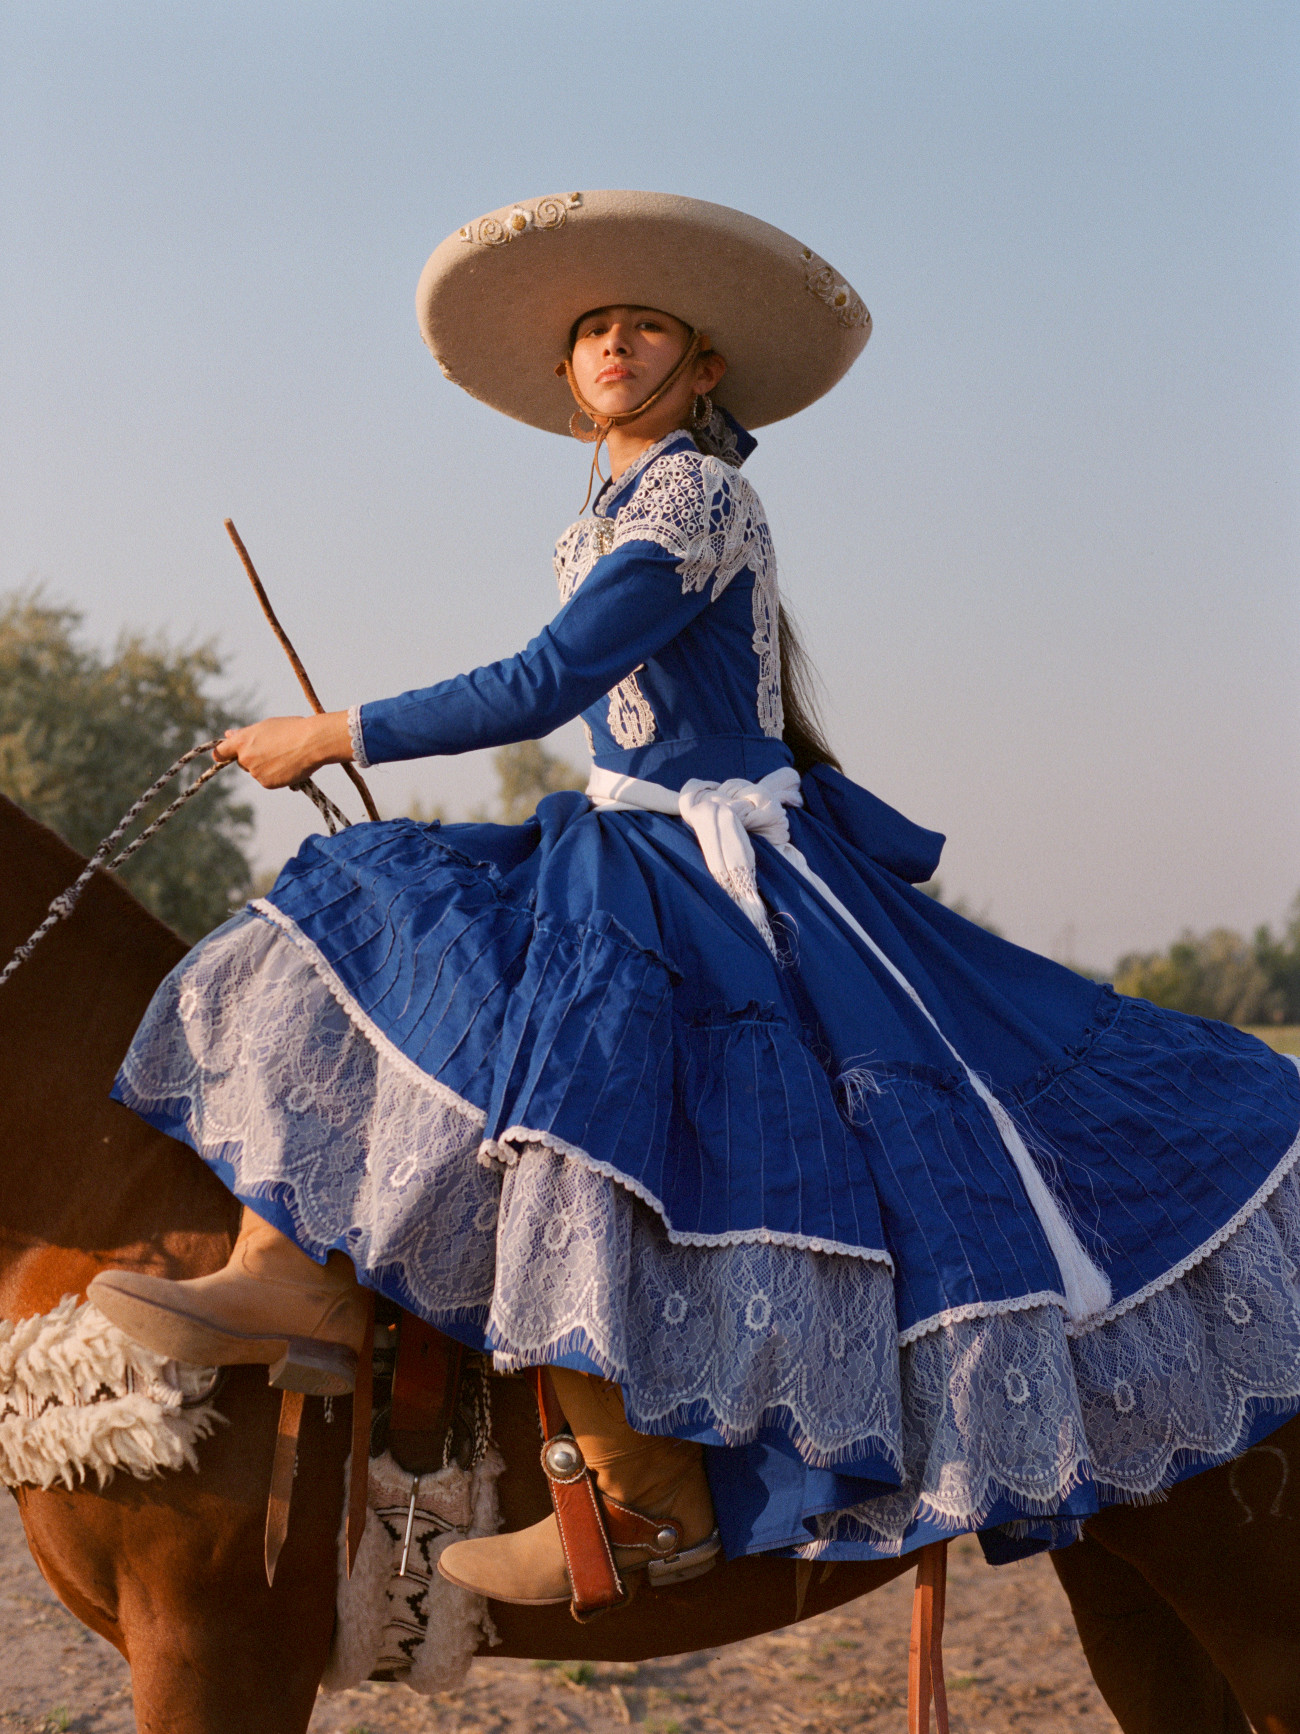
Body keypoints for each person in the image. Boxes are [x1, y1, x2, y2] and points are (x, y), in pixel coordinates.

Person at [90, 191, 1300, 1607]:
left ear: (702, 365)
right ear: (567, 371)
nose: (614, 344)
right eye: (594, 329)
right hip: (624, 834)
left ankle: (644, 1497)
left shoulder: (697, 496)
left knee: (583, 1093)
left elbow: (545, 683)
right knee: (364, 902)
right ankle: (293, 1271)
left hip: (706, 856)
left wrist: (333, 731)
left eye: (646, 326)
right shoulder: (600, 515)